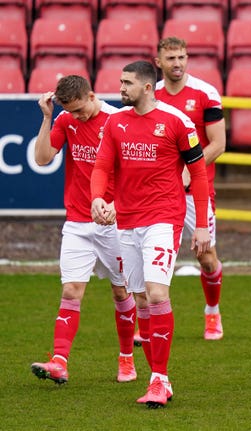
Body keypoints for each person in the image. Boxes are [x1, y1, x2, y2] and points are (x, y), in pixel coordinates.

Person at [90, 60, 211, 408]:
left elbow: (199, 175)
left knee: (157, 295)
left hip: (163, 218)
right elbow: (101, 167)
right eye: (120, 81)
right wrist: (99, 197)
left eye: (127, 82)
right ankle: (161, 379)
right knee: (140, 298)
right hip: (126, 221)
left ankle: (158, 378)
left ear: (146, 86)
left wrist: (200, 224)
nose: (121, 88)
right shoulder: (115, 123)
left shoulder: (177, 122)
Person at [30, 75, 138, 385]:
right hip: (78, 221)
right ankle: (59, 362)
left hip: (115, 222)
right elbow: (42, 158)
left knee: (121, 291)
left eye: (79, 110)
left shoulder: (119, 120)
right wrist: (49, 117)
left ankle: (127, 357)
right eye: (70, 112)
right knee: (70, 291)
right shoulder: (65, 120)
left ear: (92, 95)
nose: (76, 116)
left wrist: (117, 204)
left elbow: (133, 172)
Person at [155, 36, 226, 340]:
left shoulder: (205, 93)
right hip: (157, 194)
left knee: (206, 257)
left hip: (195, 191)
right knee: (152, 257)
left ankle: (212, 311)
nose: (177, 63)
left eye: (182, 57)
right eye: (171, 58)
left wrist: (185, 170)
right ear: (158, 62)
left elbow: (218, 144)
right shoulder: (150, 94)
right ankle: (146, 324)